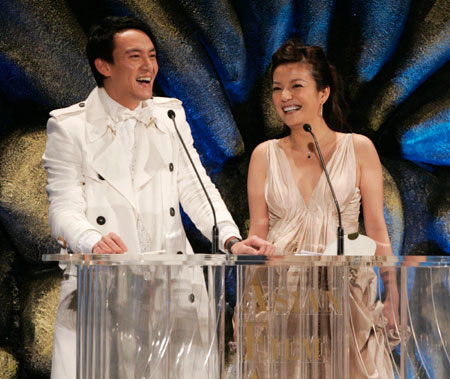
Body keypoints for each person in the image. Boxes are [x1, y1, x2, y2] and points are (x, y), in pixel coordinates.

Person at [43, 16, 273, 379]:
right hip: (108, 290)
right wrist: (92, 240)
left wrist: (230, 239)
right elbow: (63, 208)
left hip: (174, 290)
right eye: (135, 56)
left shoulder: (170, 115)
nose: (149, 65)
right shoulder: (70, 128)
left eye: (152, 55)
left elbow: (196, 189)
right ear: (104, 65)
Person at [246, 39, 399, 378]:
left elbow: (376, 230)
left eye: (296, 86)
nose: (285, 97)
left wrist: (393, 295)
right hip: (281, 295)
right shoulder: (263, 155)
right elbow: (258, 231)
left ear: (323, 94)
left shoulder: (358, 149)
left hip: (346, 294)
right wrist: (249, 300)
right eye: (277, 88)